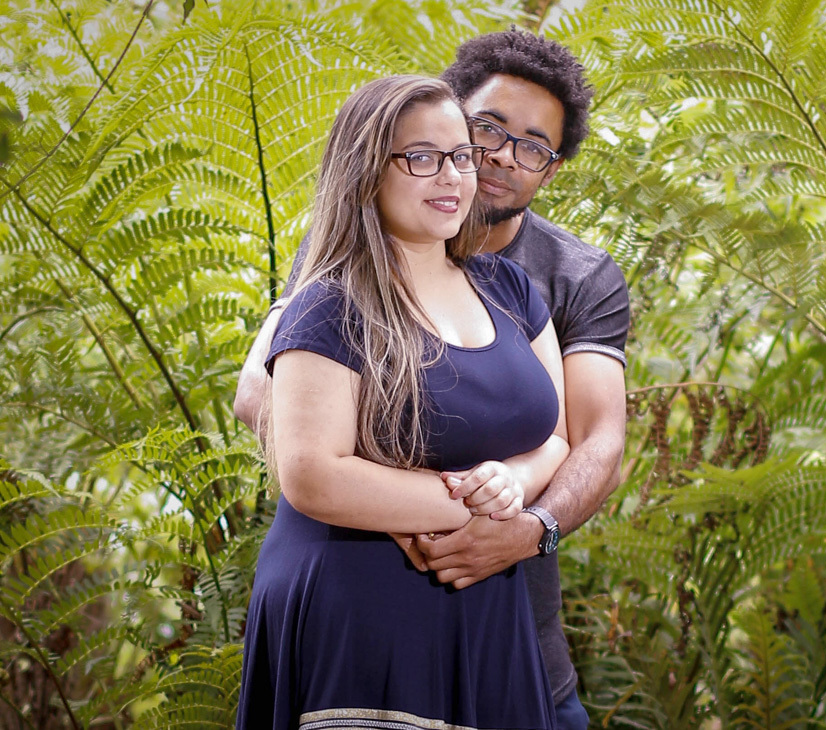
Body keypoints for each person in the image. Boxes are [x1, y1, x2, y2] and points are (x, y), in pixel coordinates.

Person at [234, 31, 631, 729]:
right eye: (486, 132)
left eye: (533, 145)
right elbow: (266, 406)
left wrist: (523, 519)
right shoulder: (337, 276)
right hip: (362, 608)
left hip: (510, 616)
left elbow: (585, 440)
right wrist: (432, 502)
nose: (498, 158)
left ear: (553, 168)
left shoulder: (548, 281)